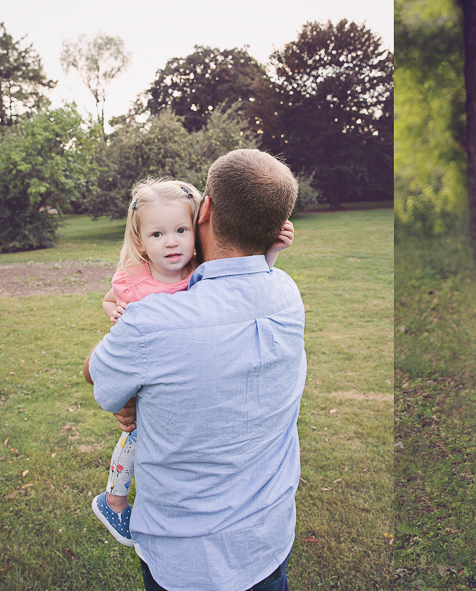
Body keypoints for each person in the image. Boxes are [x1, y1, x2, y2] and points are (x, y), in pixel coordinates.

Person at [84, 149, 305, 591]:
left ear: (204, 210)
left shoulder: (151, 322)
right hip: (267, 542)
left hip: (185, 557)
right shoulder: (286, 295)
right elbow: (248, 279)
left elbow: (98, 376)